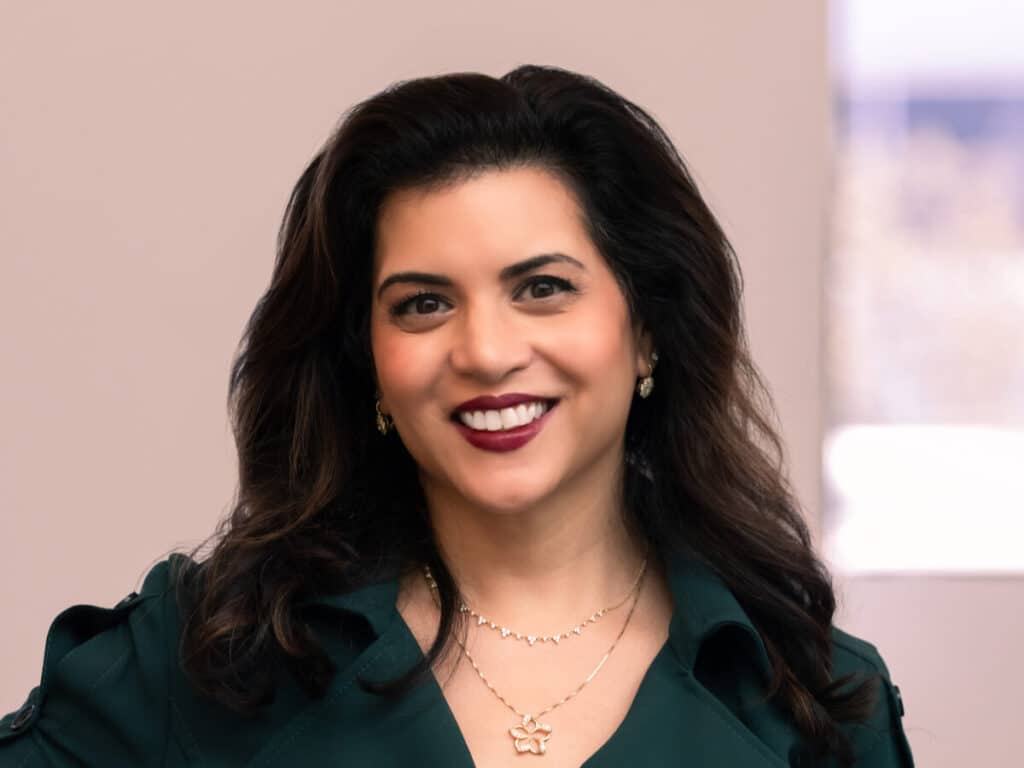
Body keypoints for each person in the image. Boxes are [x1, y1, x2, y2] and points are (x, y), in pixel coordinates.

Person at [0, 64, 915, 767]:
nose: (483, 350)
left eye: (544, 289)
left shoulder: (814, 699)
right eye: (422, 304)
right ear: (366, 357)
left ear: (647, 332)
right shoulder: (211, 657)